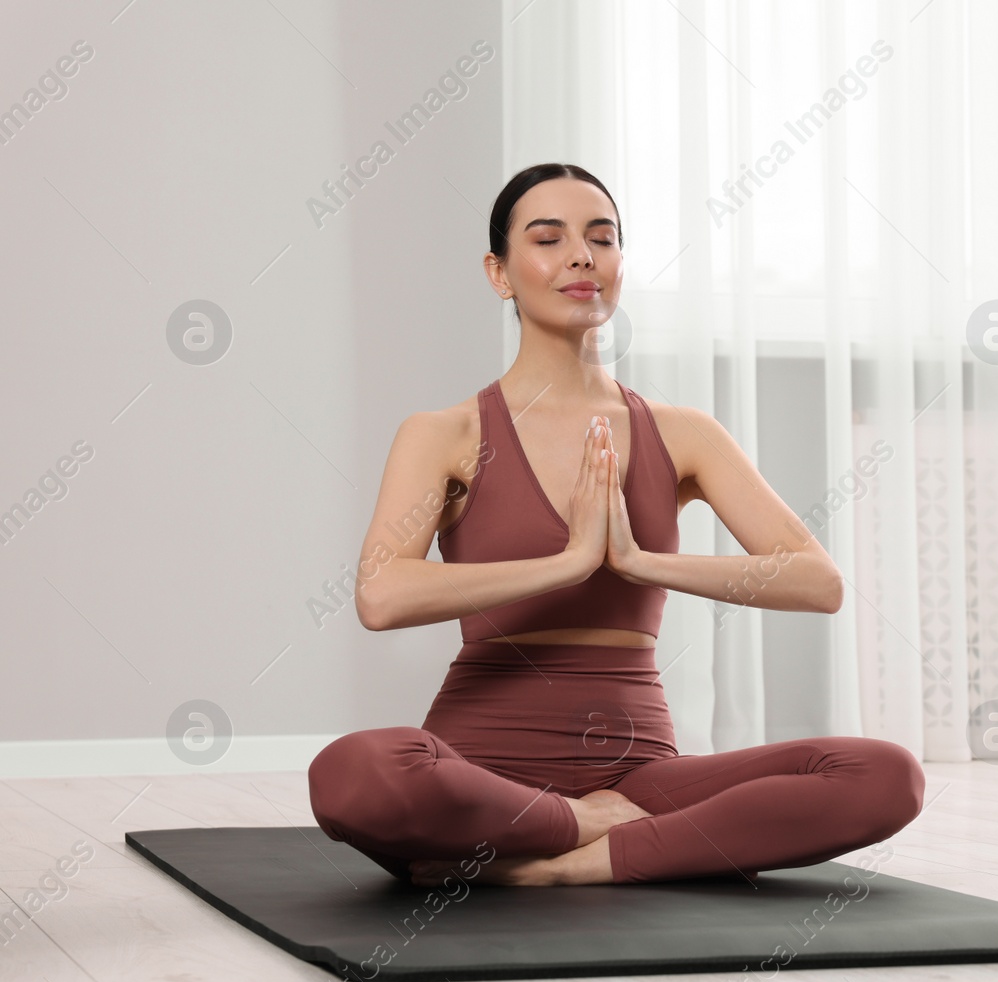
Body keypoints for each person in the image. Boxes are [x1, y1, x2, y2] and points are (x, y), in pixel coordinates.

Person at [307, 163, 924, 887]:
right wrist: (568, 562)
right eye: (549, 238)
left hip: (638, 777)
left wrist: (636, 559)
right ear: (499, 273)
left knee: (887, 774)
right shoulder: (445, 432)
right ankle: (588, 829)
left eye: (601, 238)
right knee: (357, 773)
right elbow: (380, 596)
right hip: (481, 769)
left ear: (620, 266)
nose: (581, 256)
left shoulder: (683, 432)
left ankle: (562, 868)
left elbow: (817, 581)